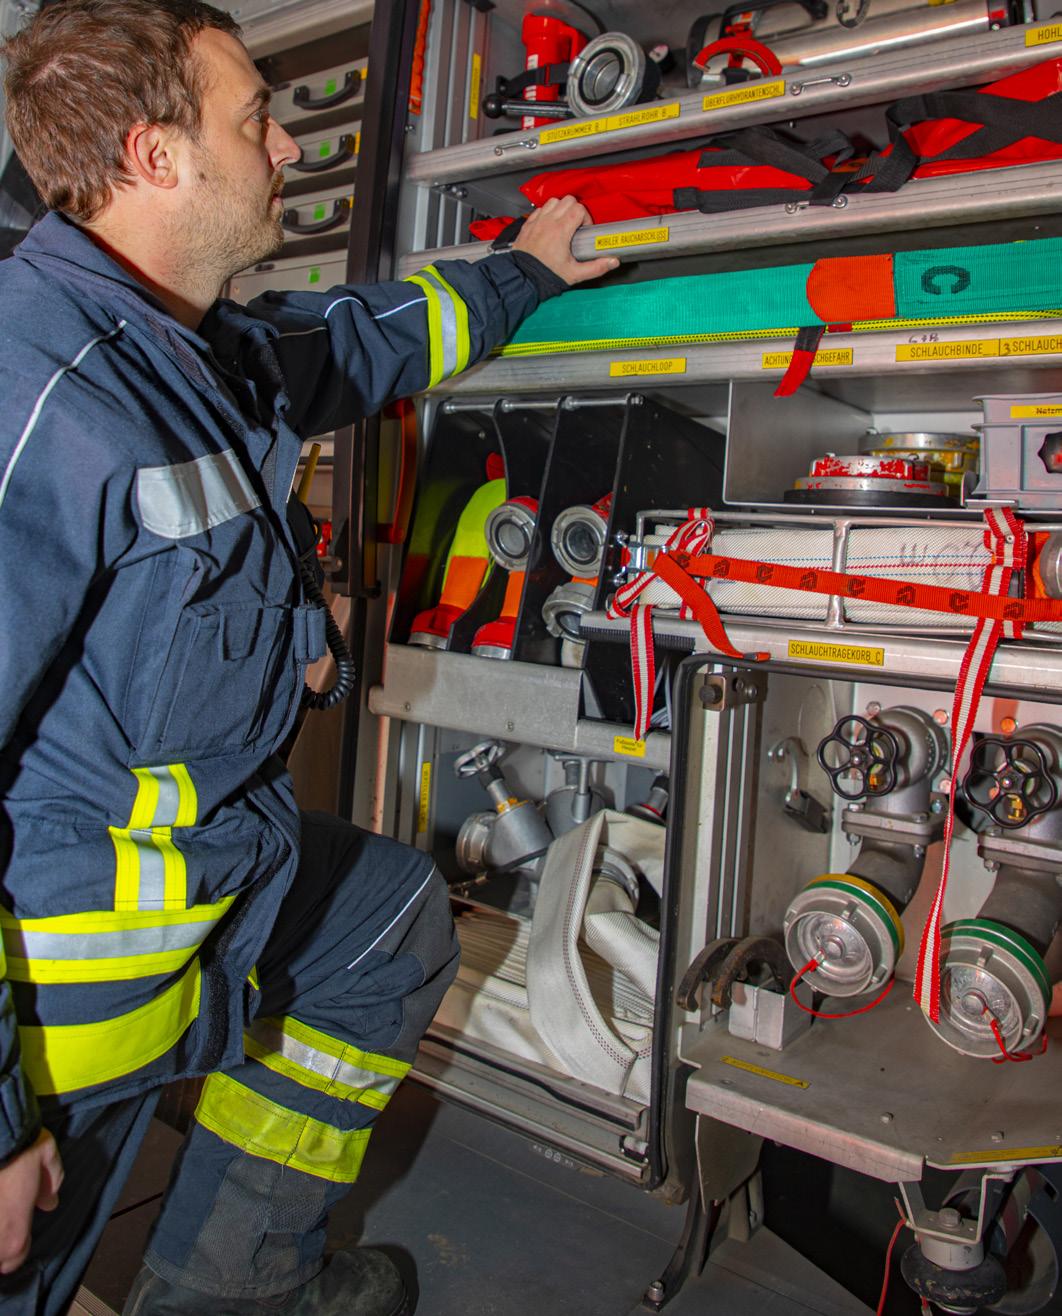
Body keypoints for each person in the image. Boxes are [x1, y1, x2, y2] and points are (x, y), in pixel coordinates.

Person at [0, 2, 618, 1312]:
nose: (284, 147)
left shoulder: (199, 346)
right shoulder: (35, 390)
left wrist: (525, 270)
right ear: (156, 156)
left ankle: (240, 1286)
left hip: (211, 894)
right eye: (254, 122)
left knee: (386, 922)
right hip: (63, 1001)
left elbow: (362, 335)